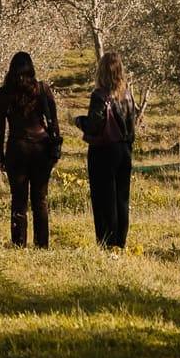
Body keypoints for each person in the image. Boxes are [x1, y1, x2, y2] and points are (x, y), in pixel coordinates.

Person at [0, 50, 62, 248]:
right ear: (31, 68)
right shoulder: (41, 89)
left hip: (17, 148)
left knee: (18, 199)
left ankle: (19, 243)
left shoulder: (4, 93)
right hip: (41, 148)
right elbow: (54, 122)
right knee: (40, 199)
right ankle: (42, 244)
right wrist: (55, 147)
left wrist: (1, 155)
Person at [81, 50, 136, 249]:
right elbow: (132, 124)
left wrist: (79, 121)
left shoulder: (99, 95)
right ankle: (120, 242)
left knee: (103, 198)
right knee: (122, 198)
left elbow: (94, 125)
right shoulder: (128, 94)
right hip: (124, 150)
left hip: (103, 151)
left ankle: (106, 241)